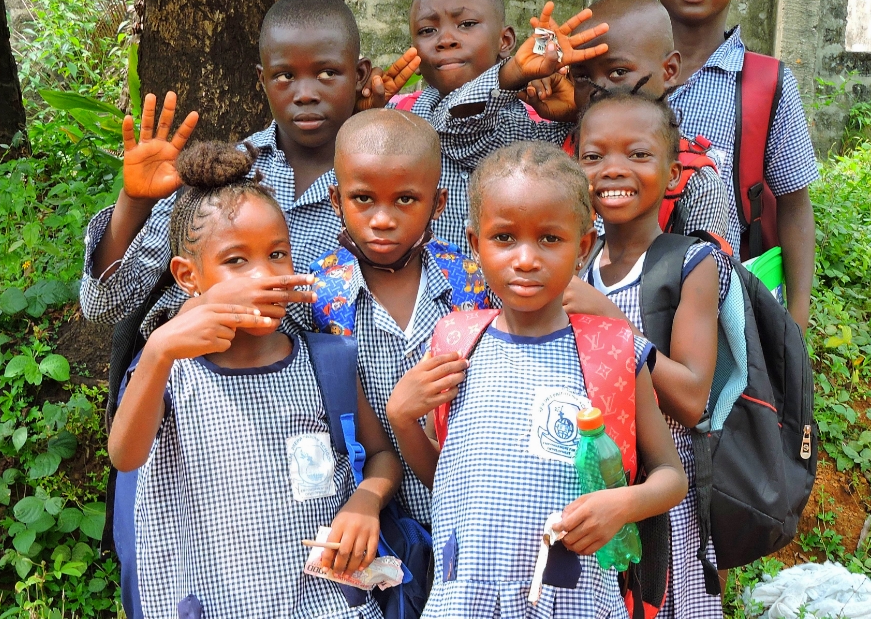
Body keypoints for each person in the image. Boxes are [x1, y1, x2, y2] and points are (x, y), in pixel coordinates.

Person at [386, 141, 688, 618]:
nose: (525, 259)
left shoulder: (613, 350)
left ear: (583, 245)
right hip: (465, 599)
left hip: (572, 598)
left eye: (549, 239)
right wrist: (402, 420)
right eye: (504, 238)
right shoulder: (456, 342)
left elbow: (672, 477)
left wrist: (622, 505)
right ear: (475, 244)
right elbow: (443, 479)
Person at [108, 140, 402, 619]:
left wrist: (365, 501)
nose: (265, 275)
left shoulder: (323, 361)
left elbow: (383, 456)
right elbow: (125, 454)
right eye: (236, 261)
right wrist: (160, 348)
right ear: (188, 276)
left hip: (328, 606)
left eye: (278, 253)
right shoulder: (170, 369)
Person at [79, 0, 419, 336]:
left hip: (334, 387)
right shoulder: (222, 173)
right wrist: (135, 202)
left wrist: (373, 130)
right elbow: (104, 307)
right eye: (285, 76)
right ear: (262, 80)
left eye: (327, 73)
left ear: (360, 75)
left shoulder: (389, 178)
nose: (305, 94)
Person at [563, 90, 731, 619]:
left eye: (637, 155)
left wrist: (611, 320)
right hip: (594, 486)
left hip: (664, 496)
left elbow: (691, 398)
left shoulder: (690, 262)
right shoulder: (574, 262)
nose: (614, 170)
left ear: (674, 171)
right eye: (594, 157)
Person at [298, 108, 489, 528]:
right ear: (337, 200)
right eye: (363, 199)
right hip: (370, 518)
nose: (382, 220)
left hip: (472, 509)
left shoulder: (472, 284)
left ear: (438, 203)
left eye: (405, 199)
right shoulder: (318, 296)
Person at [647, 0, 818, 331]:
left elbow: (795, 205)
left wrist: (796, 317)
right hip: (625, 287)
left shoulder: (767, 82)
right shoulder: (620, 73)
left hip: (729, 299)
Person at [403, 0, 610, 255]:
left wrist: (575, 117)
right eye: (428, 30)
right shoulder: (402, 121)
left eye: (466, 24)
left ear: (505, 41)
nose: (445, 40)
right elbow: (452, 126)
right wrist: (513, 72)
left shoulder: (526, 124)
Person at [521, 0, 730, 244]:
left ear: (670, 70)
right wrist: (516, 73)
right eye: (583, 76)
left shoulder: (694, 180)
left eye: (618, 72)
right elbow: (465, 138)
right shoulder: (554, 145)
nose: (598, 90)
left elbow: (708, 276)